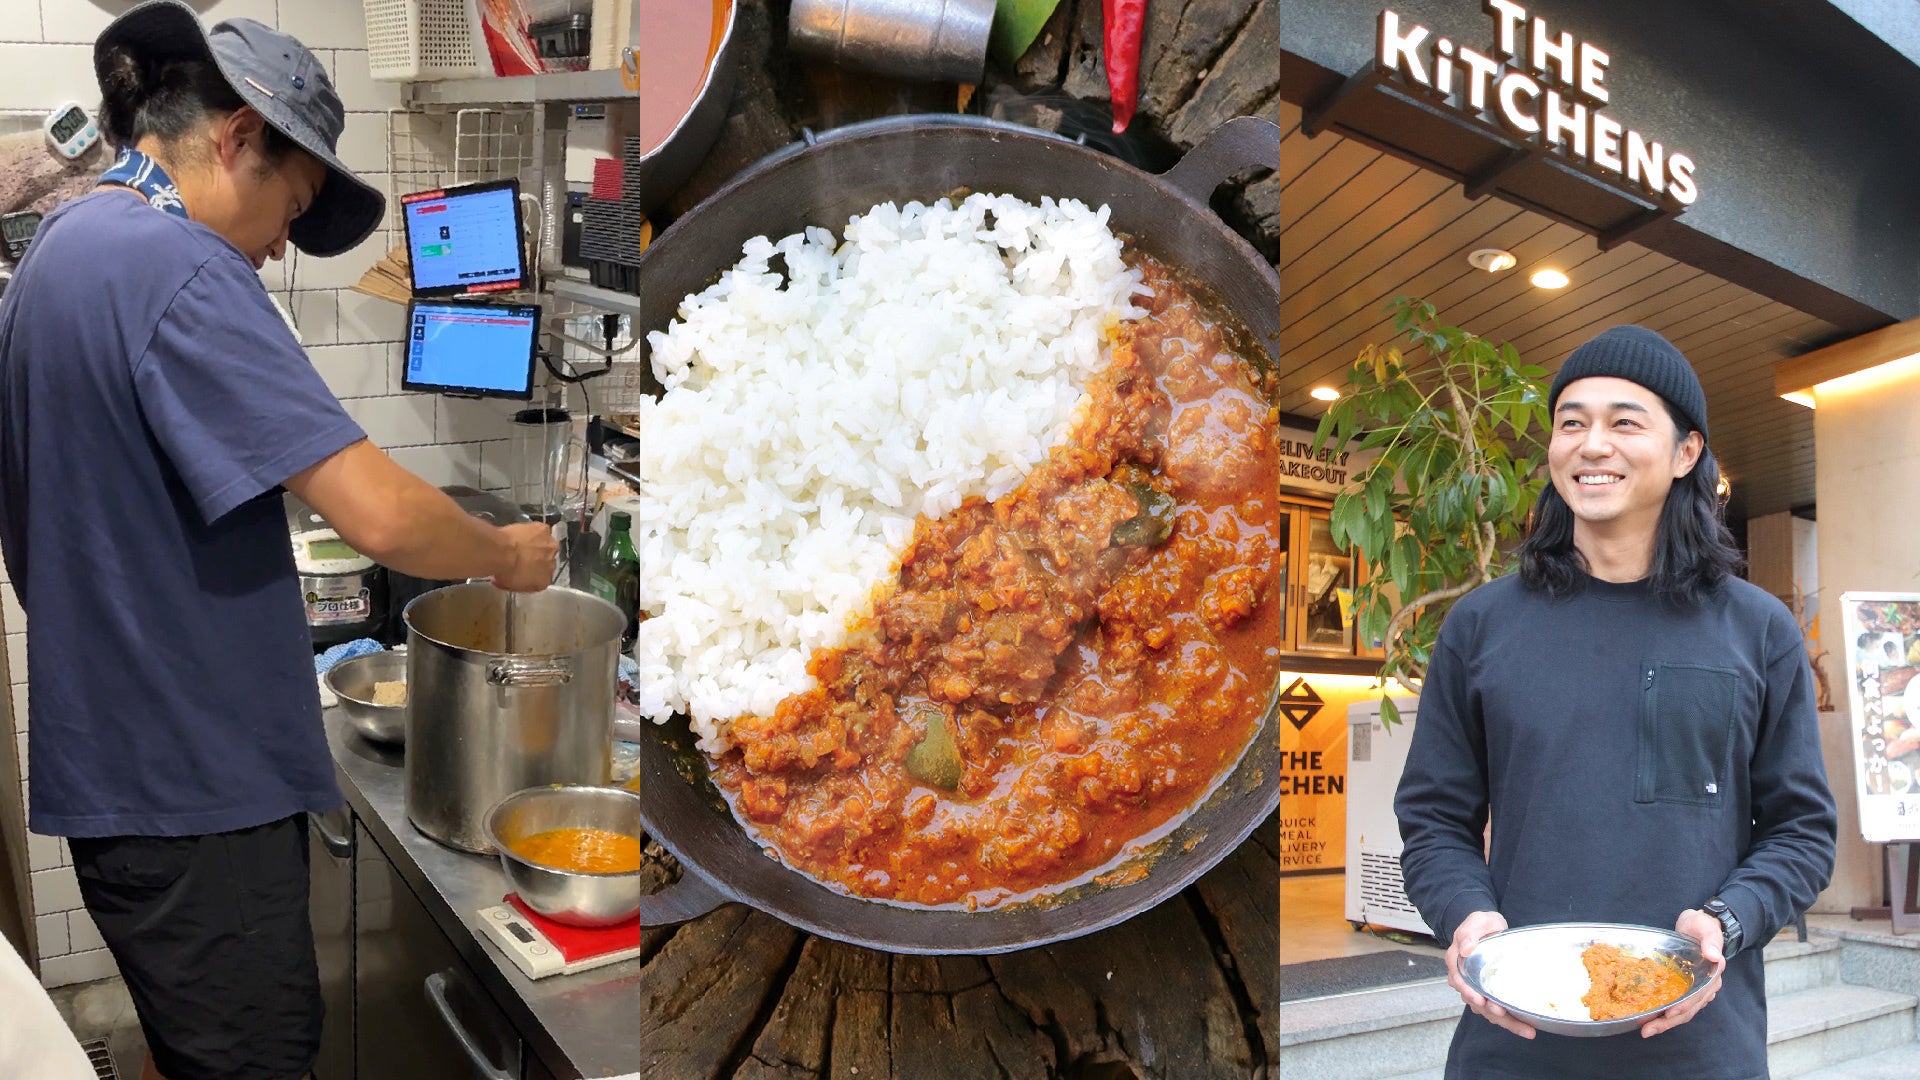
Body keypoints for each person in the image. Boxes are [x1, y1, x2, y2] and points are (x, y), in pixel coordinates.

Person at [0, 3, 558, 1078]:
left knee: (191, 1051)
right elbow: (379, 514)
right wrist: (504, 555)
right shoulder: (177, 265)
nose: (274, 252)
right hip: (198, 794)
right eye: (290, 210)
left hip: (123, 785)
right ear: (239, 137)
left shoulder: (63, 249)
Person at [1393, 325, 1838, 1079]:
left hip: (1701, 1048)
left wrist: (1728, 922)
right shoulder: (1482, 625)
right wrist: (1466, 916)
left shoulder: (1757, 629)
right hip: (1515, 1041)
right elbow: (1433, 818)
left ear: (1687, 452)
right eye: (1571, 423)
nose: (1592, 444)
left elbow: (1802, 831)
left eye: (1625, 422)